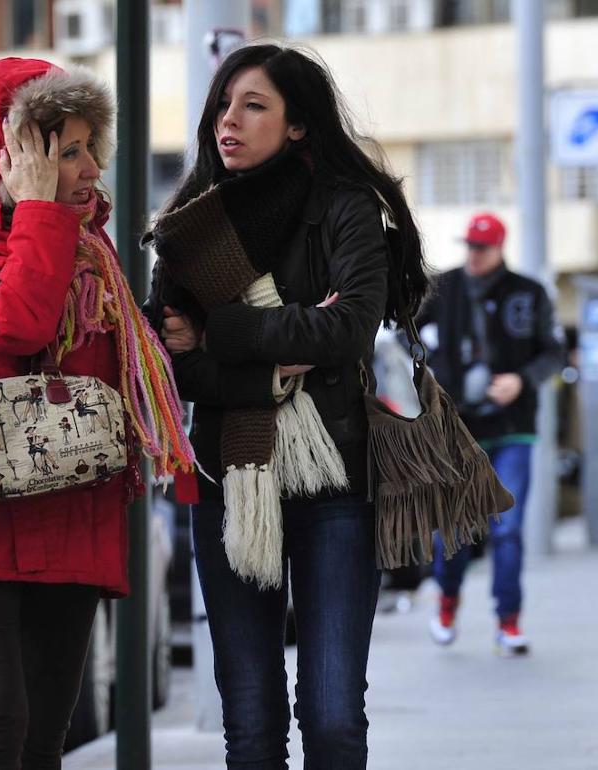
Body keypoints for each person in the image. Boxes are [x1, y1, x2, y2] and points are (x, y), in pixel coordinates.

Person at [0, 59, 191, 769]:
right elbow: (20, 326)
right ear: (16, 153)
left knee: (42, 737)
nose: (92, 167)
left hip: (69, 507)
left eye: (92, 147)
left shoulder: (87, 242)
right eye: (69, 151)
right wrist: (39, 214)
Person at [149, 44, 430, 769]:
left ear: (299, 124)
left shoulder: (344, 209)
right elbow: (175, 367)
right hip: (228, 482)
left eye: (253, 105)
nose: (228, 122)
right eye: (222, 105)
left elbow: (347, 329)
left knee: (333, 716)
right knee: (251, 722)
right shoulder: (187, 226)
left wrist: (223, 330)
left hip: (335, 483)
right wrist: (268, 366)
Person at [419, 212, 565, 656]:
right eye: (470, 247)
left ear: (500, 247)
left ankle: (508, 620)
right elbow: (406, 333)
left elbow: (554, 352)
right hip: (459, 431)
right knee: (455, 530)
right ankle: (447, 600)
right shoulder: (442, 291)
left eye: (482, 248)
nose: (474, 256)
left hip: (512, 429)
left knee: (509, 528)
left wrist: (521, 380)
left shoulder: (529, 292)